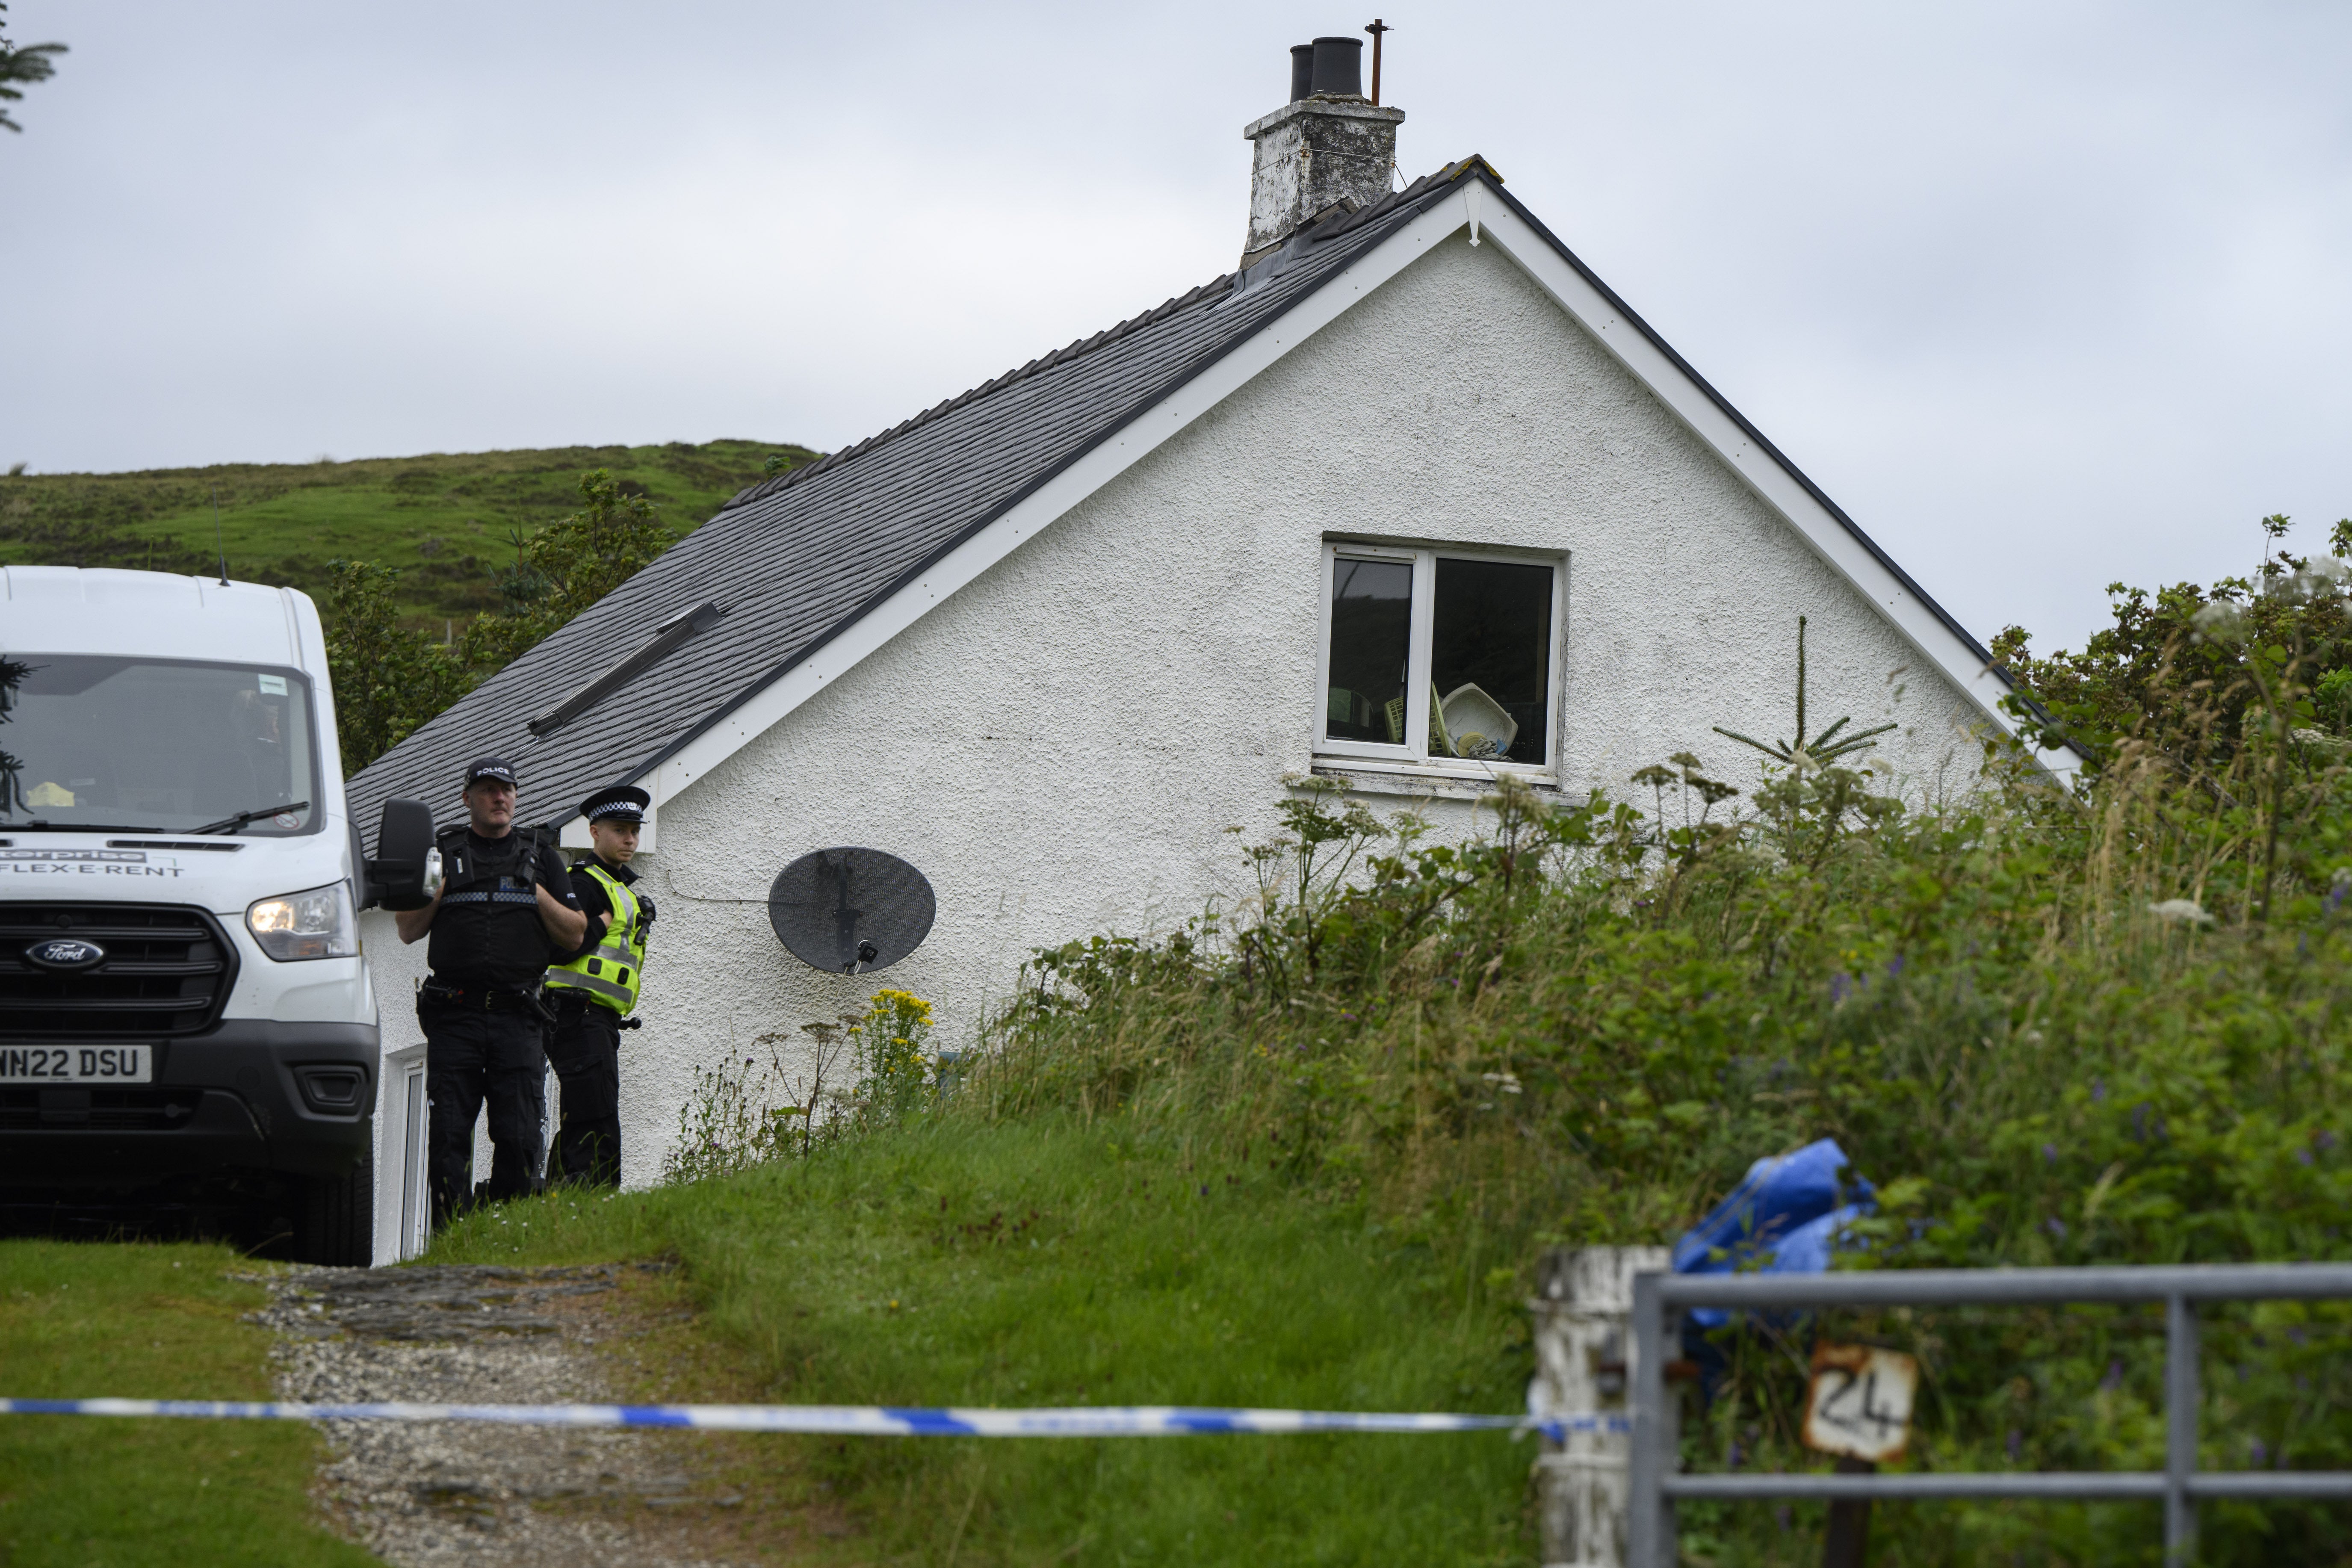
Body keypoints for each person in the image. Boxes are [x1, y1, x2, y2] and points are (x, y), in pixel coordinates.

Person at [395, 757, 585, 1228]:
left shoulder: (541, 855)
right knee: (448, 1140)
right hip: (454, 1016)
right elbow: (406, 930)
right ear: (467, 798)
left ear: (517, 797)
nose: (499, 798)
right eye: (487, 790)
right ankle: (449, 1239)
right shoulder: (442, 852)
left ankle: (504, 1232)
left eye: (506, 790)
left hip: (518, 1018)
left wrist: (536, 891)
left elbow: (576, 935)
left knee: (520, 1138)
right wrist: (439, 889)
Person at [542, 783, 654, 1187]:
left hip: (596, 1020)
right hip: (577, 1015)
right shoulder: (584, 883)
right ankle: (595, 1197)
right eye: (620, 830)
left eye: (634, 831)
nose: (630, 839)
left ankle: (559, 1197)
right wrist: (601, 923)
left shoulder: (620, 888)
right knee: (597, 1118)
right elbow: (554, 950)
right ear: (594, 832)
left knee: (588, 1115)